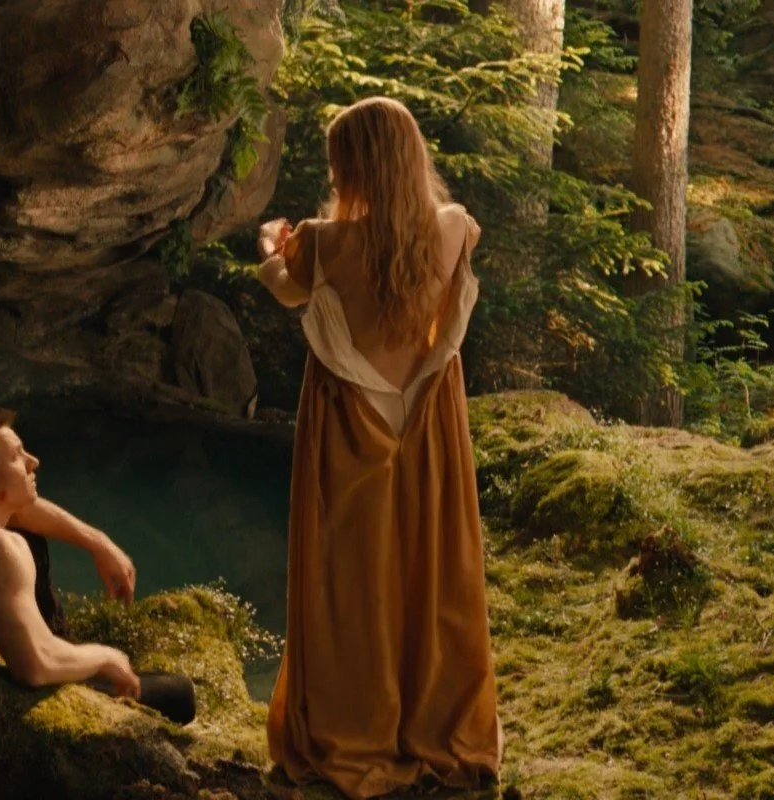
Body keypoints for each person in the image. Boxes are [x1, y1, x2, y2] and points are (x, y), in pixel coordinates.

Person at [254, 96, 501, 798]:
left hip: (348, 423)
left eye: (339, 161)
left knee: (350, 583)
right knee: (432, 572)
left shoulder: (322, 243)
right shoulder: (454, 229)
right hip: (426, 423)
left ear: (355, 166)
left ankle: (354, 728)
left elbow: (285, 292)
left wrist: (270, 247)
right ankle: (438, 723)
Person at [0, 406, 195, 725]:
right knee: (179, 693)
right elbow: (35, 666)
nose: (33, 461)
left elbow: (21, 509)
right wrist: (106, 658)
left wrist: (98, 542)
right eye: (16, 457)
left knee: (27, 531)